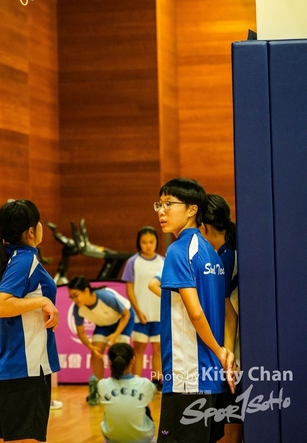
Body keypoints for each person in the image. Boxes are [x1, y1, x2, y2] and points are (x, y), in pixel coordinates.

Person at [0, 198, 60, 443]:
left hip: (2, 368)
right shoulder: (25, 259)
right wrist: (41, 301)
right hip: (25, 366)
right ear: (31, 231)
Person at [153, 178, 234, 443]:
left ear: (192, 209)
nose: (161, 211)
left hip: (187, 375)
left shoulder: (178, 250)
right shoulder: (211, 252)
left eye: (169, 204)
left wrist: (219, 351)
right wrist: (225, 354)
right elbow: (228, 312)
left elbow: (196, 313)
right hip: (213, 376)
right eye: (159, 204)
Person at [201, 194, 241, 443]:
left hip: (235, 350)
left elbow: (229, 314)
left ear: (203, 226)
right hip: (235, 348)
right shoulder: (230, 250)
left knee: (230, 427)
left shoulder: (225, 257)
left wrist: (226, 355)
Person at [68, 276, 135, 382]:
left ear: (86, 291)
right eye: (71, 297)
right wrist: (91, 347)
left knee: (121, 354)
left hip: (123, 320)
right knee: (96, 353)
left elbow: (126, 314)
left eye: (76, 296)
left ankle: (123, 383)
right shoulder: (77, 309)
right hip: (103, 325)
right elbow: (81, 333)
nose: (74, 300)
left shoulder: (105, 297)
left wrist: (115, 335)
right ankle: (99, 386)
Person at [121, 227, 164, 385]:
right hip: (140, 316)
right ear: (139, 243)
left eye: (151, 242)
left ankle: (157, 381)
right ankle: (137, 382)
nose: (148, 245)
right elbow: (129, 289)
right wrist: (138, 311)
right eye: (144, 242)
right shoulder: (133, 262)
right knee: (138, 350)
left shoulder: (164, 261)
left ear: (156, 242)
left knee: (158, 350)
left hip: (159, 315)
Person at [98, 343, 156, 443]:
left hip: (112, 439)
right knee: (144, 406)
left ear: (109, 361)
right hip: (143, 439)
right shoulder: (145, 383)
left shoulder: (102, 384)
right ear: (133, 360)